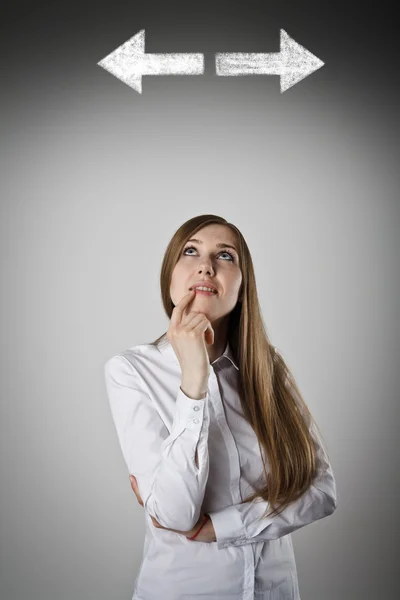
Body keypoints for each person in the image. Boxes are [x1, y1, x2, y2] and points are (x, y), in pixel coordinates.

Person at [104, 214, 338, 600]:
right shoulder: (130, 371)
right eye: (191, 251)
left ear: (242, 288)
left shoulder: (268, 369)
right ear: (171, 277)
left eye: (225, 256)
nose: (206, 265)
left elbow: (322, 491)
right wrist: (193, 383)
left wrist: (226, 526)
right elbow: (176, 515)